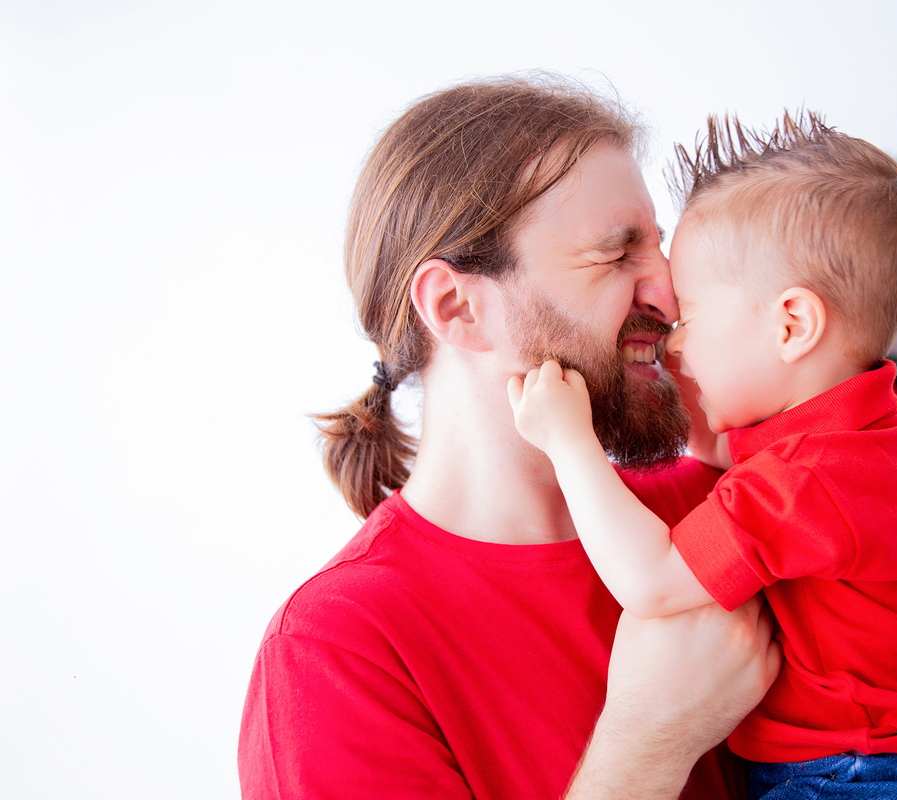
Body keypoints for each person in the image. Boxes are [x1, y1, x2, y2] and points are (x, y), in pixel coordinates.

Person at [237, 75, 782, 800]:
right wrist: (649, 741)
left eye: (659, 251)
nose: (669, 293)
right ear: (458, 306)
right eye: (617, 255)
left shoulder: (720, 513)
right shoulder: (335, 651)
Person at [507, 113, 897, 800]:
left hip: (858, 777)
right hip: (893, 762)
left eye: (689, 321)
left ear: (792, 325)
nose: (672, 344)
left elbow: (654, 580)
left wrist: (569, 443)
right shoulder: (847, 431)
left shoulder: (805, 476)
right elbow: (723, 451)